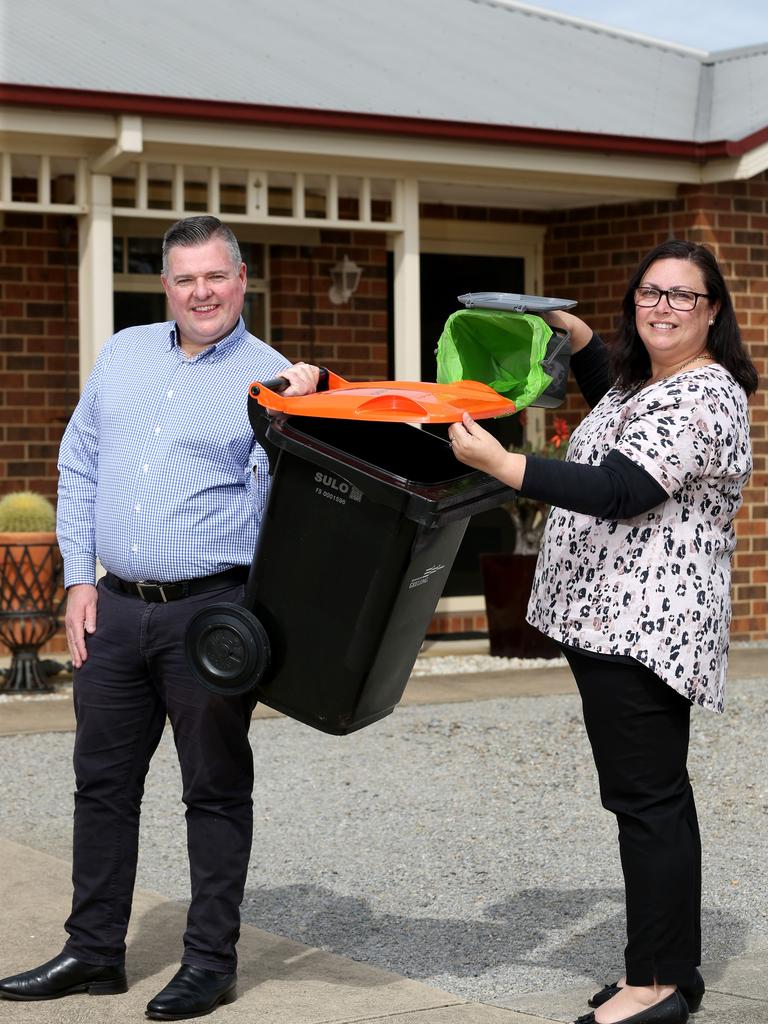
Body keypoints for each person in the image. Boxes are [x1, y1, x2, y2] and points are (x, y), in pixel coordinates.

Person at [0, 216, 319, 1020]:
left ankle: (209, 963)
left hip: (209, 613)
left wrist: (304, 419)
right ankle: (93, 951)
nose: (201, 293)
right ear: (166, 286)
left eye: (216, 277)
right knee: (101, 786)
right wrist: (78, 581)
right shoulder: (125, 353)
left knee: (213, 789)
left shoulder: (274, 379)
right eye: (185, 279)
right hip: (113, 607)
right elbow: (79, 463)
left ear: (242, 280)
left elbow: (291, 512)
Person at [448, 240, 757, 1024]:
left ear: (712, 311)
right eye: (650, 293)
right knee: (653, 800)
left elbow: (620, 489)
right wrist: (578, 336)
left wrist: (505, 465)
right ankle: (670, 970)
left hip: (644, 630)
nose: (662, 307)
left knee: (646, 802)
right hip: (608, 623)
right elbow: (611, 402)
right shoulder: (647, 385)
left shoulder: (704, 396)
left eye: (682, 296)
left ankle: (653, 988)